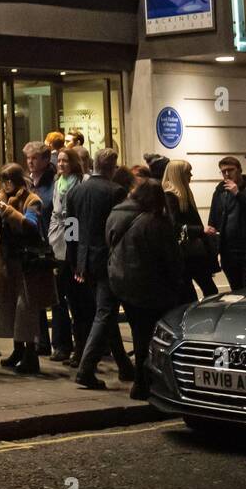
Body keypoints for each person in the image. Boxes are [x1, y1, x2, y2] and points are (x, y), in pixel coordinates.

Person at [107, 179, 185, 400]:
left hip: (121, 282)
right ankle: (145, 382)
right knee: (151, 336)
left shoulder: (115, 213)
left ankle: (140, 379)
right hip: (150, 286)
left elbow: (108, 242)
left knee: (137, 331)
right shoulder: (155, 221)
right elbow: (171, 257)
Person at [67, 148, 135, 390]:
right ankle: (86, 370)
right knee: (105, 313)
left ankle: (125, 366)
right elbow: (117, 229)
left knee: (104, 311)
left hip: (85, 261)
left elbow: (71, 229)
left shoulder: (75, 191)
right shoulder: (116, 191)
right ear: (112, 167)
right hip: (108, 259)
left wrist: (74, 260)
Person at [0, 163, 56, 375]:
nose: (6, 184)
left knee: (25, 310)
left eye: (9, 180)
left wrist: (9, 211)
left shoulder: (32, 199)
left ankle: (31, 356)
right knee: (9, 307)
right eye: (3, 180)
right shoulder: (0, 198)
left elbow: (31, 226)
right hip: (8, 262)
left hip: (27, 263)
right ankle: (17, 350)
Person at [206, 155, 246, 290]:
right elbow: (214, 214)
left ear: (239, 170)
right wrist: (212, 228)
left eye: (230, 170)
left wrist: (238, 194)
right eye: (223, 171)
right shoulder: (220, 190)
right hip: (228, 251)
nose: (226, 174)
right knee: (235, 289)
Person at [162, 159, 219, 302]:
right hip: (187, 253)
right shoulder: (171, 196)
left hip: (191, 252)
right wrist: (201, 230)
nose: (191, 175)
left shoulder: (180, 194)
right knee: (201, 292)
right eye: (188, 172)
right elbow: (175, 226)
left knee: (203, 291)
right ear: (179, 175)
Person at [48, 147, 84, 363]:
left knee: (74, 298)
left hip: (70, 237)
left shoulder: (79, 182)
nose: (61, 164)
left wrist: (71, 245)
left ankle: (76, 345)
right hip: (57, 237)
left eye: (65, 161)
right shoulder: (57, 182)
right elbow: (55, 212)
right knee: (58, 297)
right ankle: (62, 344)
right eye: (59, 161)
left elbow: (73, 218)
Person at [22, 140, 57, 355]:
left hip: (50, 245)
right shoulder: (28, 183)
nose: (31, 162)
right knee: (35, 298)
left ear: (45, 160)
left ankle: (60, 343)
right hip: (33, 247)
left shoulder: (53, 184)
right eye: (28, 158)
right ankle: (40, 341)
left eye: (35, 158)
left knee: (55, 298)